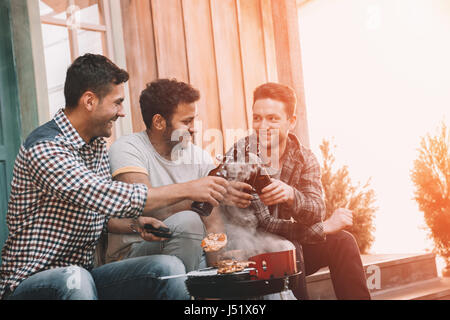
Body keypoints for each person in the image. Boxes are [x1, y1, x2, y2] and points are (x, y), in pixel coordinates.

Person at [0, 54, 227, 300]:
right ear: (89, 101)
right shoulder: (45, 148)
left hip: (86, 275)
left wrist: (134, 224)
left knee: (168, 268)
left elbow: (102, 214)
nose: (121, 113)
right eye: (117, 103)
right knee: (74, 278)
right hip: (30, 282)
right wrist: (189, 189)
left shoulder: (95, 145)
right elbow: (105, 195)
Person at [222, 82, 371, 300]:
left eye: (273, 118)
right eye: (257, 118)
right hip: (252, 252)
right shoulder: (241, 154)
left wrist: (292, 195)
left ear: (291, 122)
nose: (262, 126)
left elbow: (316, 209)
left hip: (292, 246)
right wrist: (324, 228)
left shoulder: (305, 157)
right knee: (290, 248)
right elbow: (266, 224)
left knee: (343, 240)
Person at [105, 79, 225, 271]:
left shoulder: (199, 156)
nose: (194, 128)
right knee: (189, 221)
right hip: (132, 256)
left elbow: (214, 221)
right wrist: (193, 195)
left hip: (190, 250)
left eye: (194, 119)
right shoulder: (127, 149)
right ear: (159, 122)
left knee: (244, 249)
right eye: (186, 121)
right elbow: (145, 207)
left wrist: (221, 271)